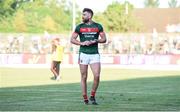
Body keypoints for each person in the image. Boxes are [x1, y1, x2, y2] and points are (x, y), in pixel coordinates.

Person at [70, 8, 106, 105]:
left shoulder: (98, 26)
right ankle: (85, 97)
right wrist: (82, 42)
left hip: (94, 54)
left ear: (89, 16)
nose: (83, 16)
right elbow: (72, 39)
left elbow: (104, 39)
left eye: (84, 15)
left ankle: (92, 96)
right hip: (83, 54)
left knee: (97, 76)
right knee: (84, 76)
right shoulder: (79, 27)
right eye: (82, 14)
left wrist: (96, 40)